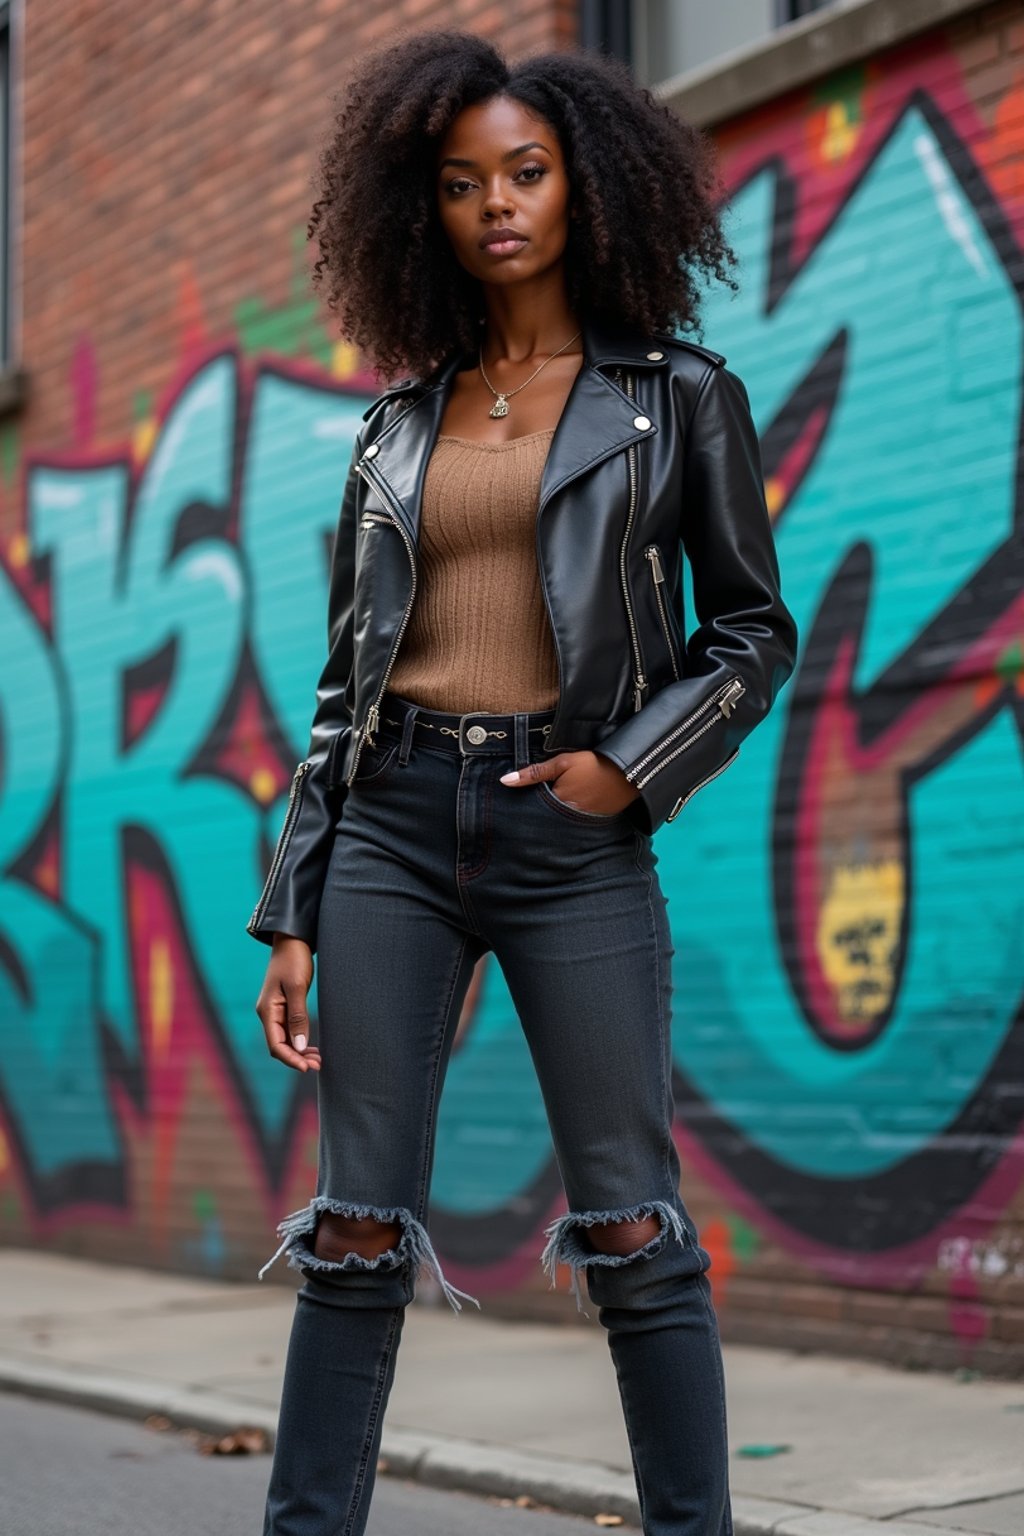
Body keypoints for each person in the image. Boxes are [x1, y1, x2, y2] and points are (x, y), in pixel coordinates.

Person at [246, 27, 798, 1536]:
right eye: (460, 181)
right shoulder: (394, 429)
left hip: (571, 826)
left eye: (528, 173)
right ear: (415, 209)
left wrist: (629, 773)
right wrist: (291, 903)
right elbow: (344, 689)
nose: (497, 203)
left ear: (587, 186)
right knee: (355, 1227)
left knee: (631, 1218)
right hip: (394, 831)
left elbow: (752, 630)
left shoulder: (675, 395)